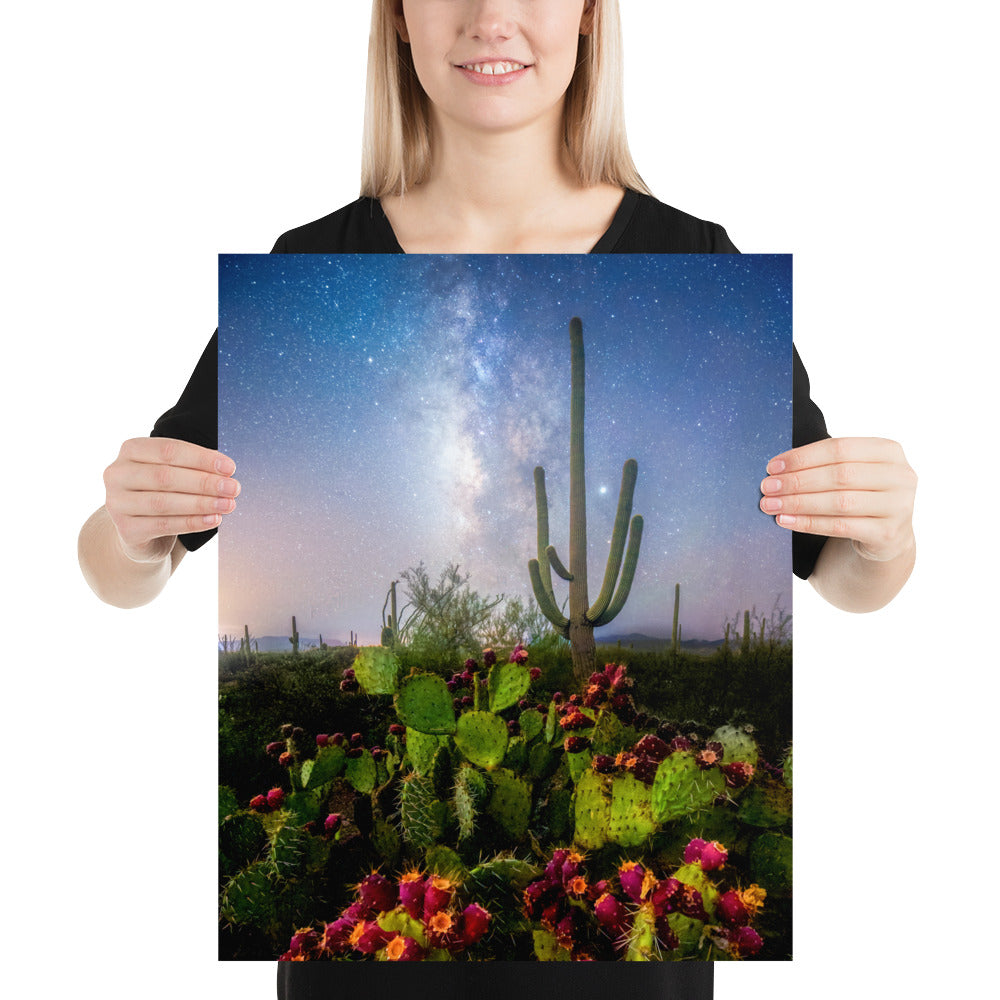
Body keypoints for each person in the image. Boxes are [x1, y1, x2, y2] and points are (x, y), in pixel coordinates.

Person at [77, 0, 916, 996]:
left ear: (592, 18)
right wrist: (130, 533)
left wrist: (885, 531)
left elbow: (845, 576)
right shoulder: (300, 264)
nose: (491, 18)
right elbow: (119, 569)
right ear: (394, 18)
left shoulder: (700, 260)